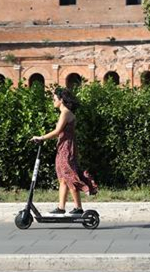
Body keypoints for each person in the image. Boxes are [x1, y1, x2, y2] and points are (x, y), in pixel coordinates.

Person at [31, 87, 98, 215]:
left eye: (54, 99)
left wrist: (41, 137)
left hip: (66, 148)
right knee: (63, 178)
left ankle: (78, 207)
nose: (53, 101)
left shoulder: (65, 113)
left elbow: (57, 131)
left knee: (69, 176)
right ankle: (61, 207)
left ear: (61, 100)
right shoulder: (65, 113)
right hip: (63, 147)